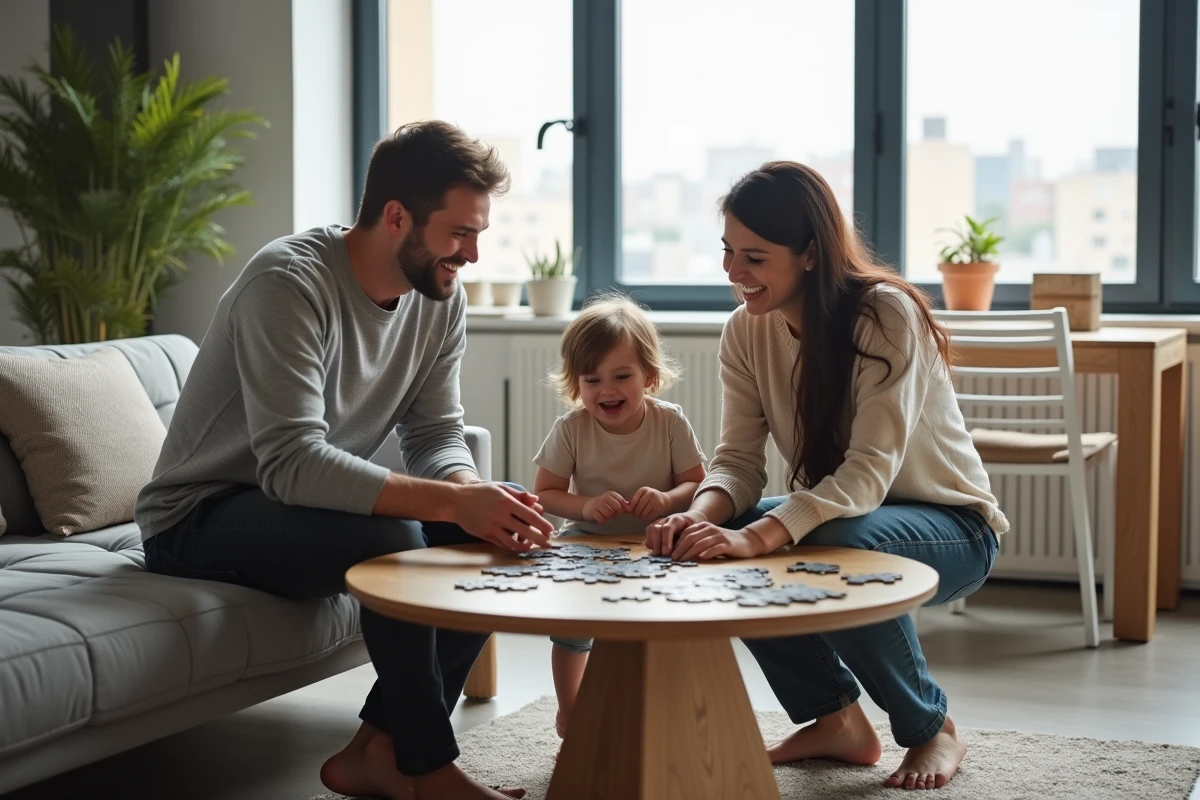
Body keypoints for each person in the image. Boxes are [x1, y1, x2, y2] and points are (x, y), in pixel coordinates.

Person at [134, 121, 556, 800]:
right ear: (397, 218)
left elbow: (437, 432)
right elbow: (292, 464)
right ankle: (429, 771)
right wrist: (450, 503)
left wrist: (466, 491)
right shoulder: (288, 283)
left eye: (478, 234)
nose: (473, 254)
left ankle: (378, 752)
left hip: (295, 510)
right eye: (459, 233)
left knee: (490, 526)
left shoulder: (438, 298)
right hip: (200, 515)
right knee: (394, 538)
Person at [647, 162, 1009, 791]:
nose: (733, 273)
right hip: (842, 521)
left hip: (952, 528)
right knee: (732, 527)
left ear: (810, 253)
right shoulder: (744, 331)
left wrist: (759, 536)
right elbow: (736, 462)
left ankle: (931, 727)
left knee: (815, 538)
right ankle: (836, 716)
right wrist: (698, 518)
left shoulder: (885, 315)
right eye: (728, 252)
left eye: (754, 257)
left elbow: (867, 475)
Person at [531, 295, 707, 741]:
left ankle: (668, 714)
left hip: (658, 545)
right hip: (588, 544)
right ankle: (572, 716)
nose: (606, 390)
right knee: (572, 632)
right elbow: (545, 492)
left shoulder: (670, 422)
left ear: (649, 377)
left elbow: (697, 482)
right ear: (576, 384)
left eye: (621, 376)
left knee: (669, 632)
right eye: (592, 379)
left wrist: (668, 500)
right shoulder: (571, 428)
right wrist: (585, 505)